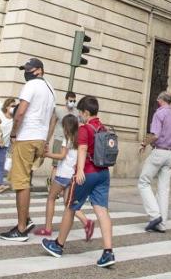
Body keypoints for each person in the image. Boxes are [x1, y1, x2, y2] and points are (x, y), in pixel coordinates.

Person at [40, 95, 116, 266]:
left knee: (70, 207)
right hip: (103, 174)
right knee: (102, 211)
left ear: (86, 112)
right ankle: (108, 252)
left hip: (87, 173)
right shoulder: (103, 128)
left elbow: (82, 149)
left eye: (81, 112)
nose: (79, 115)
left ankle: (58, 245)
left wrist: (80, 170)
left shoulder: (85, 129)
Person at [1, 58, 57, 241]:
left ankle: (21, 228)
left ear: (39, 70)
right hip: (39, 138)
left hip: (26, 137)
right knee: (26, 179)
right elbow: (53, 118)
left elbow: (21, 112)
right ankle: (26, 219)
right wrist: (46, 139)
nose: (27, 72)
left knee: (20, 182)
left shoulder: (31, 85)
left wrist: (14, 134)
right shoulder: (50, 89)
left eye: (29, 69)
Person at [36, 113, 95, 239]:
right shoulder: (80, 139)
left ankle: (47, 228)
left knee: (51, 198)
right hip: (73, 176)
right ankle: (87, 222)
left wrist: (47, 155)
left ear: (66, 127)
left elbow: (62, 156)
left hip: (63, 175)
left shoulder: (67, 138)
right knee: (69, 204)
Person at [137, 91, 171, 233]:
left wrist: (144, 144)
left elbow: (155, 135)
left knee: (143, 182)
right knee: (164, 189)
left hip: (159, 151)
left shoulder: (159, 114)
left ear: (160, 100)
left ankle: (155, 215)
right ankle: (162, 225)